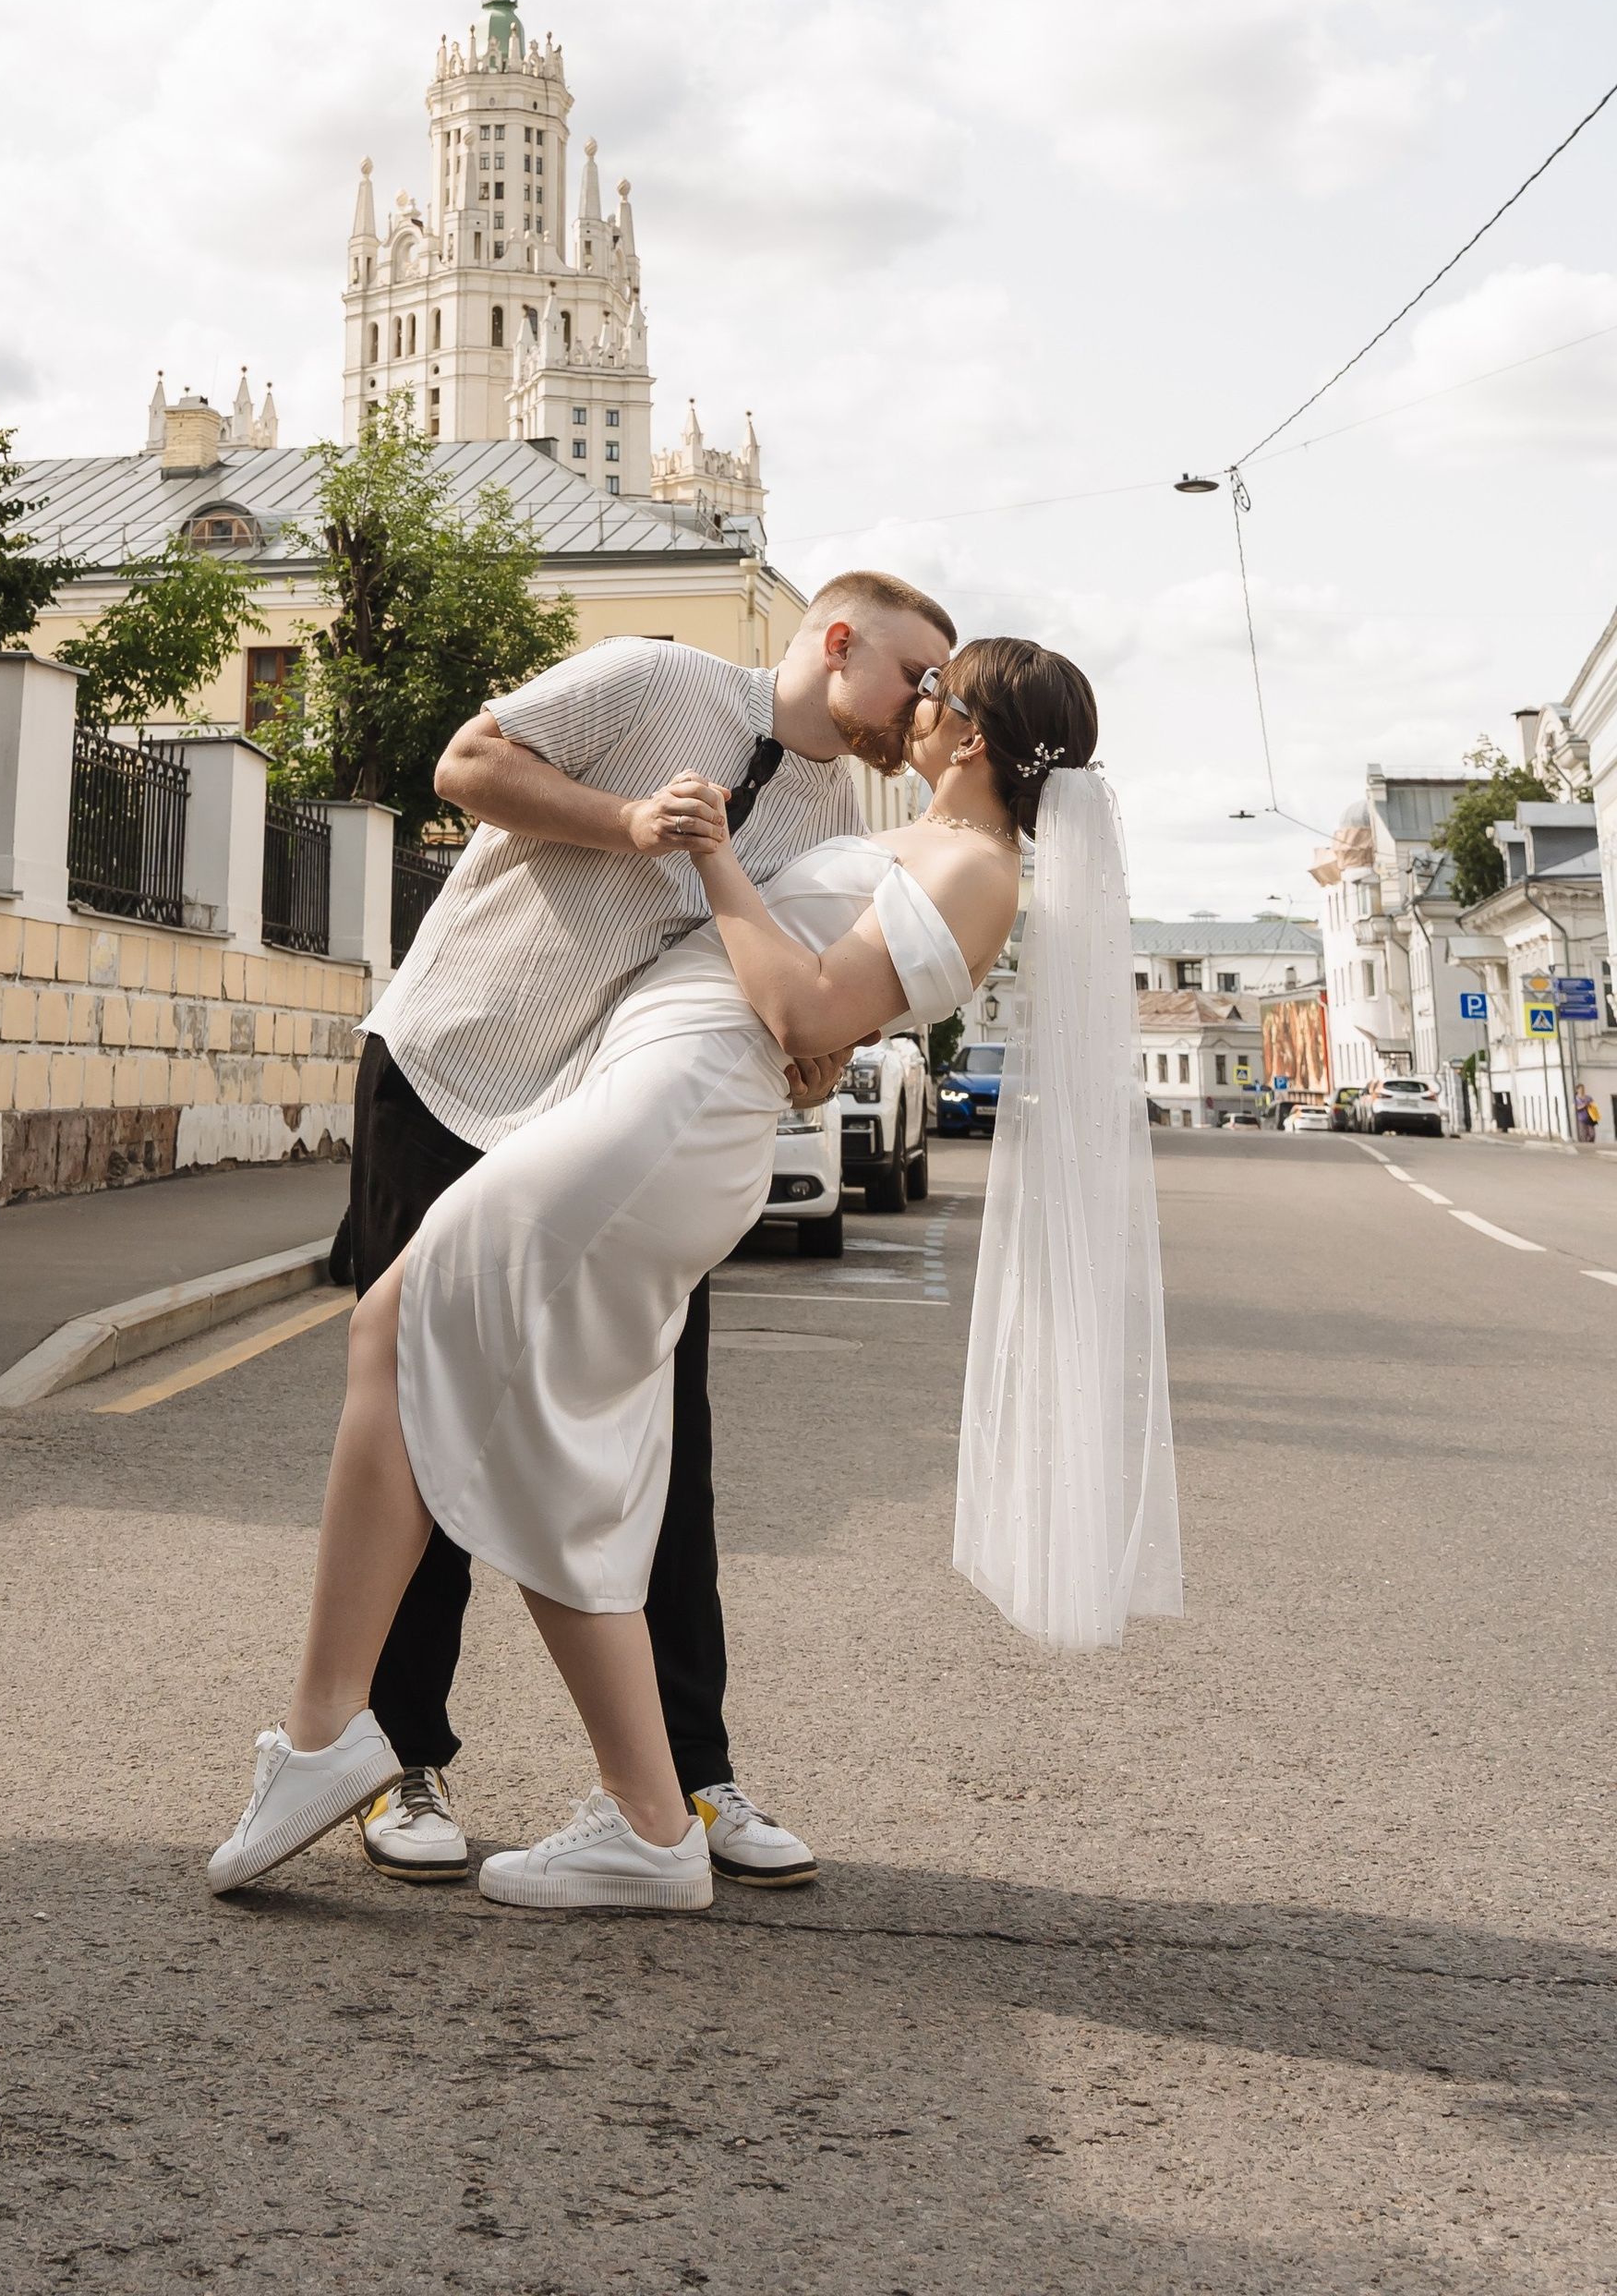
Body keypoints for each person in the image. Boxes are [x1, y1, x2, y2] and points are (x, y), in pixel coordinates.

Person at [208, 632, 1103, 1913]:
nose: (916, 704)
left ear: (969, 737)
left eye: (937, 693)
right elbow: (810, 1002)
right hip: (648, 1102)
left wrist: (718, 864)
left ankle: (334, 1736)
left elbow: (801, 1008)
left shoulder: (975, 869)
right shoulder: (920, 842)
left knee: (403, 1331)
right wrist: (799, 1006)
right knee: (543, 1436)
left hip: (663, 1121)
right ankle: (640, 1813)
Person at [333, 569, 954, 1891]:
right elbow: (466, 763)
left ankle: (689, 1777)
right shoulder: (657, 677)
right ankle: (398, 1758)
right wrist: (628, 819)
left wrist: (812, 1056)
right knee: (419, 1403)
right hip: (456, 1070)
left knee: (669, 1438)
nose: (926, 704)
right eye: (914, 673)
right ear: (838, 642)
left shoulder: (830, 808)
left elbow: (765, 973)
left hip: (604, 1132)